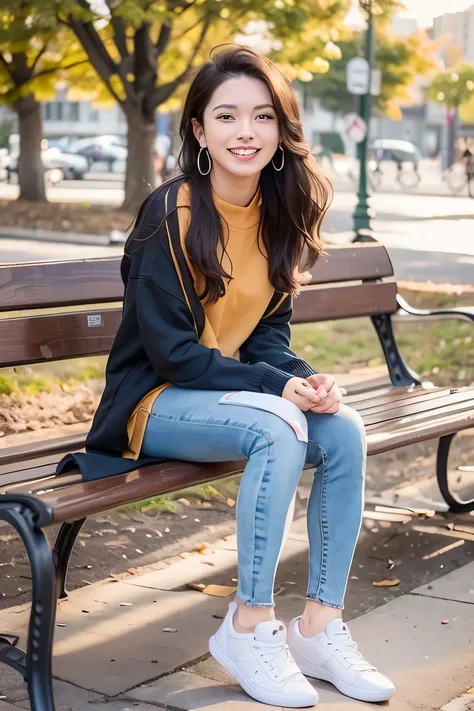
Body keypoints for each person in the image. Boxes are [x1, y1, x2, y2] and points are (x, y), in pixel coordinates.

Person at [62, 45, 395, 708]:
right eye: (227, 116)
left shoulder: (278, 212)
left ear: (280, 131)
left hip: (220, 396)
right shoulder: (173, 212)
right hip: (149, 403)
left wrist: (304, 377)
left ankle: (319, 627)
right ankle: (247, 624)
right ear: (199, 130)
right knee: (279, 424)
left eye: (262, 116)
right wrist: (277, 391)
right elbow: (173, 355)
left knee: (343, 427)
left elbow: (267, 336)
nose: (246, 131)